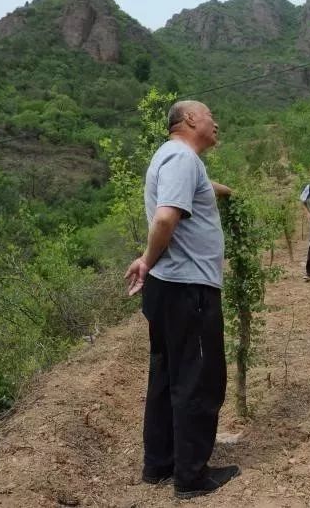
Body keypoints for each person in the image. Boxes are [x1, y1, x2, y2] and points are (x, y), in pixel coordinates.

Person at [124, 100, 240, 499]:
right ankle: (191, 476)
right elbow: (165, 218)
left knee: (167, 376)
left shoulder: (179, 160)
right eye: (211, 115)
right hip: (188, 288)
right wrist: (145, 260)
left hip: (172, 288)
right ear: (190, 120)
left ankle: (159, 464)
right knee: (198, 379)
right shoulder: (181, 157)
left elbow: (203, 191)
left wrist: (228, 193)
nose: (216, 121)